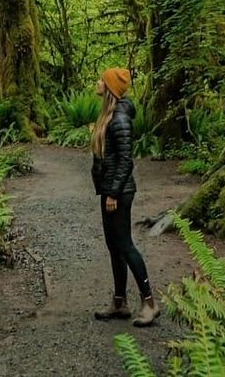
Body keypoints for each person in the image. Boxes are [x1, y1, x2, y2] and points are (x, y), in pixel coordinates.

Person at [90, 67, 157, 326]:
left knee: (125, 245)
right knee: (113, 246)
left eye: (101, 80)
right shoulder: (108, 116)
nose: (98, 82)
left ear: (109, 88)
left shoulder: (119, 120)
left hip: (118, 193)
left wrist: (113, 193)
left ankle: (149, 303)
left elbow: (126, 162)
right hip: (109, 190)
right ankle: (119, 303)